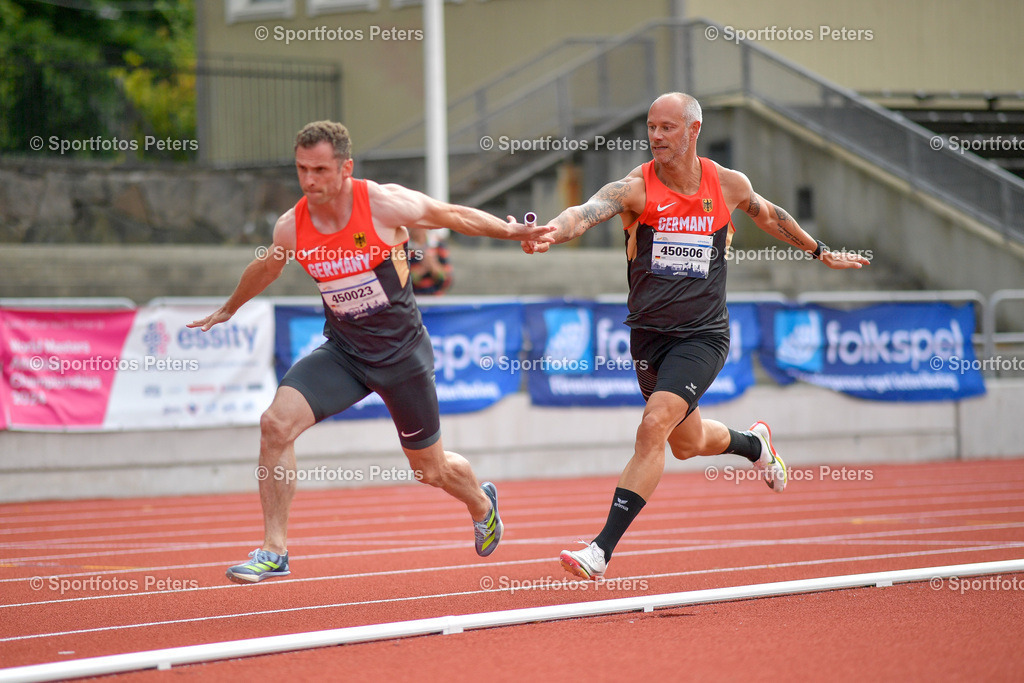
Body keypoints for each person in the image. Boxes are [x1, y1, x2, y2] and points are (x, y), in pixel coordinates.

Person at [522, 93, 870, 580]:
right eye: (651, 127)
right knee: (685, 443)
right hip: (648, 337)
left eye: (667, 127)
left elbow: (769, 215)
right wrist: (551, 233)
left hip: (703, 335)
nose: (657, 136)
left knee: (652, 426)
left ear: (694, 129)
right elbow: (585, 211)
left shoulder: (726, 184)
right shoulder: (635, 189)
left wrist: (822, 252)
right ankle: (755, 445)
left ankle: (599, 551)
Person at [189, 120, 554, 583]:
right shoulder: (292, 226)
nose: (309, 181)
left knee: (430, 470)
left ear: (346, 168)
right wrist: (228, 308)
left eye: (320, 169)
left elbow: (453, 216)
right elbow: (266, 267)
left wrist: (513, 233)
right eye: (302, 169)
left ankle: (481, 502)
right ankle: (274, 550)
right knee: (275, 425)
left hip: (403, 357)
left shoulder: (382, 204)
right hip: (345, 354)